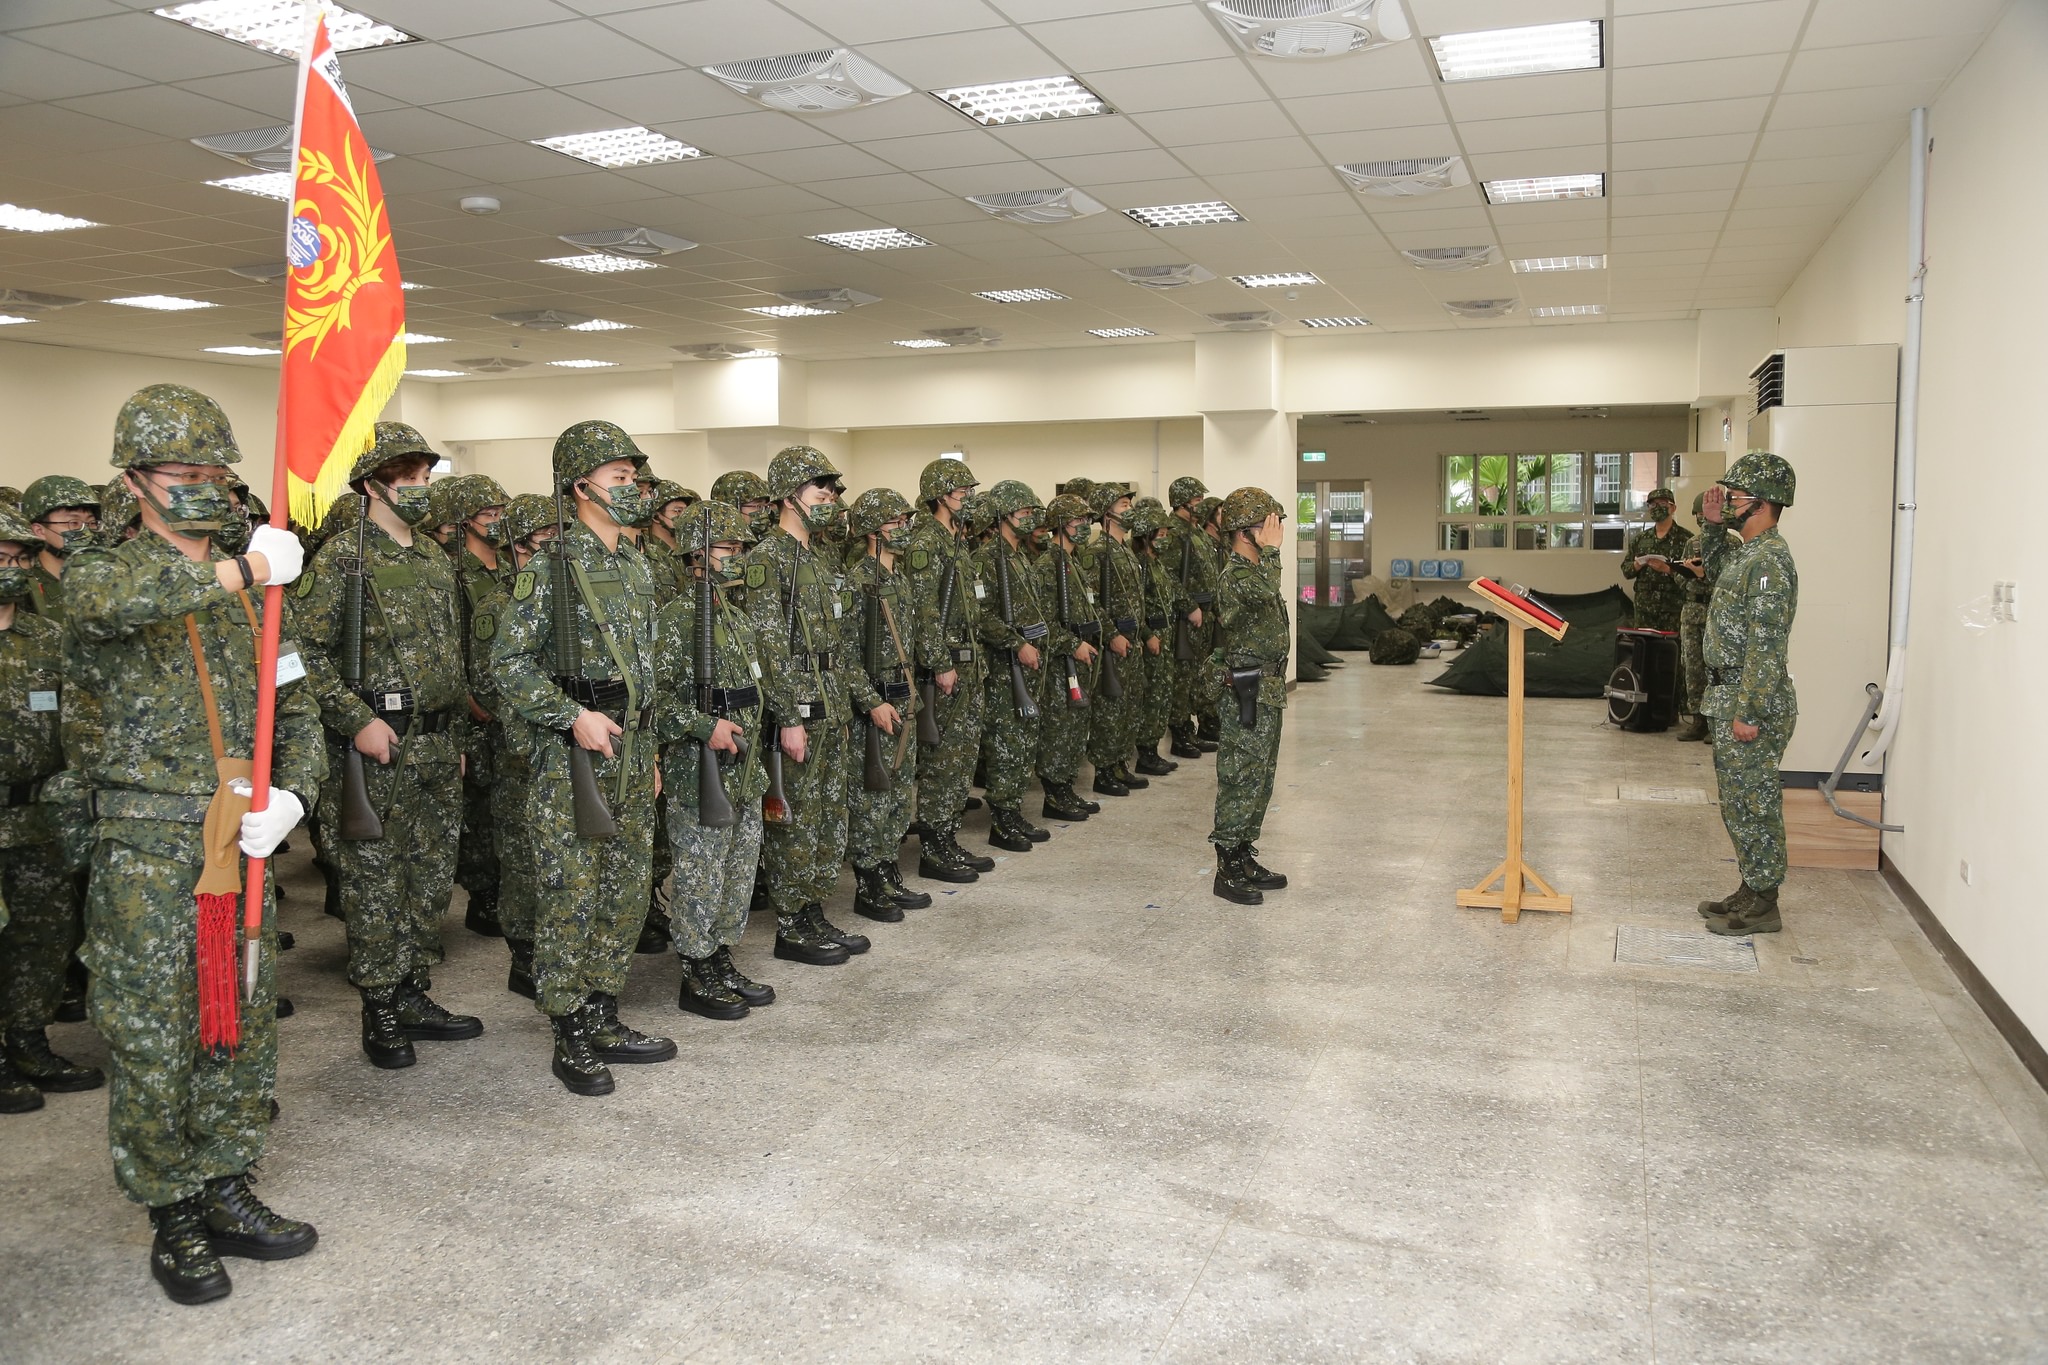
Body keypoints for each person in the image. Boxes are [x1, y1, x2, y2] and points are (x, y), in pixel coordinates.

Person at [67, 383, 323, 1304]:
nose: (207, 487)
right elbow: (120, 602)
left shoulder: (251, 591)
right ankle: (170, 1207)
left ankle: (224, 1176)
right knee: (154, 1029)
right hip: (149, 844)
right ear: (135, 479)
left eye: (219, 470)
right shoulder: (106, 571)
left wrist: (296, 790)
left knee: (240, 1017)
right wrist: (251, 573)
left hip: (243, 832)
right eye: (185, 472)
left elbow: (289, 696)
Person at [489, 420, 675, 1095]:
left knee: (625, 892)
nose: (633, 489)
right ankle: (568, 1025)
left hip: (633, 747)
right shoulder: (550, 566)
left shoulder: (635, 561)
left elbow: (649, 665)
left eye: (634, 478)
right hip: (575, 755)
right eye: (620, 479)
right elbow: (506, 665)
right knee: (572, 893)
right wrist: (572, 716)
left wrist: (648, 747)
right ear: (581, 487)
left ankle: (602, 1008)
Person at [289, 424, 479, 1070]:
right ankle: (379, 1007)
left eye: (426, 478)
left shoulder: (432, 558)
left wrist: (450, 735)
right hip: (374, 747)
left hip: (432, 746)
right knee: (375, 883)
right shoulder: (345, 557)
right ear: (373, 485)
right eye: (408, 479)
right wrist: (356, 717)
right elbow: (301, 652)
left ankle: (412, 991)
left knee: (429, 882)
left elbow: (450, 658)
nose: (421, 490)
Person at [742, 446, 896, 964]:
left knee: (830, 815)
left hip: (833, 706)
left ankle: (812, 910)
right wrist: (787, 716)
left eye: (833, 492)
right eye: (819, 491)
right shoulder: (766, 559)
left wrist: (862, 701)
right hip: (799, 709)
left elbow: (840, 645)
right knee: (796, 818)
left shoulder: (822, 558)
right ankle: (791, 923)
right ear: (789, 497)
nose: (829, 499)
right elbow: (768, 646)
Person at [653, 499, 775, 1019]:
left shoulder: (737, 618)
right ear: (698, 553)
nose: (738, 557)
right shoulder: (676, 621)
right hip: (697, 768)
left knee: (737, 870)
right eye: (729, 547)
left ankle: (721, 955)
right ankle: (696, 968)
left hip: (744, 767)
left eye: (740, 547)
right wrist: (706, 727)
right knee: (700, 871)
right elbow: (655, 703)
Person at [0, 504, 99, 1112]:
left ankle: (28, 1040)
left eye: (15, 559)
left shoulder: (46, 639)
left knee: (41, 937)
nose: (9, 568)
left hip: (40, 815)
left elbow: (82, 718)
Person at [1697, 453, 1800, 937]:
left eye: (1736, 494)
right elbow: (1715, 570)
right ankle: (1752, 887)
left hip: (1749, 697)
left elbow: (1767, 643)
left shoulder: (1770, 562)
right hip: (1731, 694)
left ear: (1761, 502)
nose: (1728, 499)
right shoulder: (1748, 553)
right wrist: (1714, 526)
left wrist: (1750, 711)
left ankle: (1765, 904)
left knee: (1755, 803)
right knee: (1738, 803)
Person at [480, 493, 556, 999]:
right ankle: (523, 952)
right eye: (543, 540)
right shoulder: (497, 604)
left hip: (562, 742)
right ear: (517, 545)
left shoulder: (563, 592)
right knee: (521, 853)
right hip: (516, 745)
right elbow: (488, 683)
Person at [901, 459, 987, 883]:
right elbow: (924, 609)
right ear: (940, 496)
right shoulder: (927, 542)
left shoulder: (955, 539)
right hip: (946, 666)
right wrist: (938, 663)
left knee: (962, 756)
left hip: (968, 663)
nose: (968, 499)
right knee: (942, 759)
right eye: (961, 492)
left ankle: (948, 835)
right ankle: (933, 845)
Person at [842, 488, 927, 917]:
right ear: (875, 530)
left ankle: (889, 870)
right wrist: (870, 700)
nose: (904, 529)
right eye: (897, 522)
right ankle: (869, 882)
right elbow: (846, 653)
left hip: (903, 697)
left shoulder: (898, 580)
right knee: (872, 795)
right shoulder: (859, 582)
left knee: (897, 794)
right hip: (875, 705)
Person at [1208, 487, 1292, 906]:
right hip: (1247, 685)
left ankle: (1243, 854)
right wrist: (1272, 553)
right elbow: (1262, 594)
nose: (1276, 533)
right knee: (1241, 774)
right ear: (1245, 532)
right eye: (1268, 525)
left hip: (1268, 686)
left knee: (1261, 777)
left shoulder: (1256, 570)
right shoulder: (1237, 575)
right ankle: (1226, 866)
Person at [976, 482, 1069, 829]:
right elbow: (982, 616)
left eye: (1033, 513)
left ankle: (1013, 809)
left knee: (1025, 739)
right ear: (1003, 516)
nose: (1031, 520)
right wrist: (1016, 643)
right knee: (1007, 741)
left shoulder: (1018, 558)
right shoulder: (986, 559)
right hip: (1006, 667)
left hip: (1031, 664)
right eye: (1024, 513)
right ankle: (1002, 816)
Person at [445, 475, 513, 936]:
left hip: (509, 694)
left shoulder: (509, 565)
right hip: (472, 699)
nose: (496, 522)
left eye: (500, 513)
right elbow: (448, 638)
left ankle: (505, 884)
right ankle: (482, 891)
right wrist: (466, 694)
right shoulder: (453, 570)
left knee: (505, 796)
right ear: (465, 520)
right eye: (488, 514)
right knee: (480, 800)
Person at [1036, 494, 1106, 808]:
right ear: (1061, 524)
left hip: (1079, 657)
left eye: (1087, 522)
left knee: (1075, 725)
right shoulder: (1048, 564)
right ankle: (1054, 794)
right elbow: (1045, 621)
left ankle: (1065, 787)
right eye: (1078, 521)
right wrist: (1072, 644)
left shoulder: (1073, 562)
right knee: (1059, 727)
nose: (1084, 527)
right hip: (1060, 661)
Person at [1081, 482, 1151, 793]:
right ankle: (1104, 769)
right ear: (1106, 513)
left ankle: (1120, 762)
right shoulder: (1097, 553)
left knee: (1128, 705)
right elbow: (1091, 601)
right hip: (1114, 644)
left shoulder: (1126, 550)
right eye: (1123, 505)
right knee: (1109, 708)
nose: (1129, 510)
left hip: (1132, 640)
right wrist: (1110, 635)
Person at [1675, 491, 1738, 743]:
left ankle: (1717, 723)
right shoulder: (1692, 543)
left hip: (1717, 614)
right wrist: (1685, 572)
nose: (1702, 518)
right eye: (1699, 515)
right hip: (1691, 614)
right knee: (1693, 670)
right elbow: (1680, 579)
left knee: (1717, 671)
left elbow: (1730, 583)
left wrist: (1704, 575)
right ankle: (1698, 722)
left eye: (1706, 514)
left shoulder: (1732, 545)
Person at [1125, 504, 1181, 779]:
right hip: (1153, 637)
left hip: (1166, 635)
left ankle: (1153, 748)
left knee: (1162, 693)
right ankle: (1145, 752)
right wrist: (1147, 635)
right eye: (1160, 532)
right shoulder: (1140, 563)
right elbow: (1137, 606)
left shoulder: (1156, 561)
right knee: (1152, 696)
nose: (1165, 537)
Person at [21, 475, 102, 621]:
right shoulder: (23, 587)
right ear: (39, 531)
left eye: (91, 523)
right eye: (74, 522)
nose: (86, 532)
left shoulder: (109, 575)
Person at [1621, 486, 1692, 633]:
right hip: (1644, 611)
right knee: (1644, 652)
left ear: (1673, 508)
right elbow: (1626, 571)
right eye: (1653, 504)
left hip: (1672, 610)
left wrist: (1668, 569)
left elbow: (1693, 577)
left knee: (1671, 652)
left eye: (1662, 504)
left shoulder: (1686, 539)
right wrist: (1637, 565)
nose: (1657, 508)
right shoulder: (1641, 539)